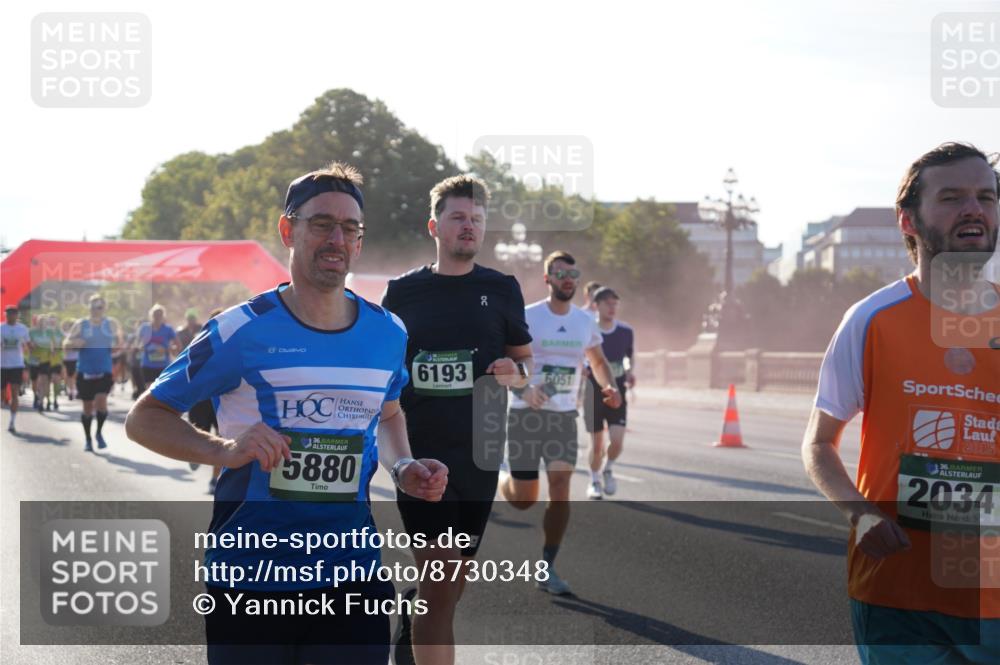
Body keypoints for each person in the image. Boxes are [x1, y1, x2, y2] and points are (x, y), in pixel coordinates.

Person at [125, 162, 448, 665]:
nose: (336, 239)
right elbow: (145, 417)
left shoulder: (389, 333)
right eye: (321, 223)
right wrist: (222, 450)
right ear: (287, 230)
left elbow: (387, 415)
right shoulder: (239, 330)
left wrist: (404, 467)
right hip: (252, 577)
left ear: (359, 241)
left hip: (351, 574)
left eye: (349, 228)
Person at [802, 142, 1000, 664]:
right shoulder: (871, 319)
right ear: (908, 221)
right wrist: (860, 515)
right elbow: (819, 445)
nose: (974, 210)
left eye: (986, 196)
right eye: (952, 197)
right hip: (895, 596)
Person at [381, 175, 533, 665]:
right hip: (423, 455)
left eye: (477, 220)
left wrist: (516, 373)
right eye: (458, 218)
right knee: (442, 578)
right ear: (435, 226)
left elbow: (526, 370)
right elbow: (383, 371)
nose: (469, 227)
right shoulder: (402, 294)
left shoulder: (502, 288)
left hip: (481, 453)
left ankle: (411, 619)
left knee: (450, 586)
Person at [500, 251, 622, 596]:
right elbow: (508, 362)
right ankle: (504, 477)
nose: (567, 279)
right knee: (524, 499)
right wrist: (525, 390)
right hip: (525, 413)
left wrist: (607, 385)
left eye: (573, 273)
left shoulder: (585, 323)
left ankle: (548, 565)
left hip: (564, 416)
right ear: (548, 279)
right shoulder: (527, 317)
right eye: (560, 273)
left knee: (560, 484)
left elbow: (597, 360)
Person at [582, 287, 635, 500]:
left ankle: (608, 468)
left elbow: (629, 356)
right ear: (596, 306)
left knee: (617, 441)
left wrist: (630, 372)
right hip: (593, 390)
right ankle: (594, 479)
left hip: (618, 389)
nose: (612, 308)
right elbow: (579, 356)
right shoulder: (587, 329)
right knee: (596, 444)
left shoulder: (625, 331)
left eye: (615, 304)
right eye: (607, 303)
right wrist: (583, 367)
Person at [65, 294, 122, 451]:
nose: (98, 309)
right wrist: (75, 342)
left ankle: (98, 433)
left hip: (103, 370)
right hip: (85, 371)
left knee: (101, 402)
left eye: (101, 306)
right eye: (95, 306)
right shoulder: (81, 324)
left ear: (104, 308)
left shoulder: (110, 324)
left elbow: (119, 342)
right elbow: (66, 344)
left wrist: (117, 345)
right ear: (90, 307)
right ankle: (88, 439)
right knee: (87, 408)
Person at [187, 307, 224, 494]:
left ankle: (214, 479)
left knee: (220, 439)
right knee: (199, 435)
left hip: (223, 401)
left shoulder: (237, 343)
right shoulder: (199, 344)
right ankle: (194, 455)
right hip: (201, 400)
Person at [135, 303, 179, 391]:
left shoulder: (168, 329)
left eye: (160, 315)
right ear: (151, 315)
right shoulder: (144, 328)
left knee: (162, 390)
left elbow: (177, 345)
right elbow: (137, 344)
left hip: (163, 365)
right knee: (150, 390)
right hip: (147, 364)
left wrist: (168, 349)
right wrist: (142, 347)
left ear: (163, 316)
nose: (157, 317)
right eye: (155, 314)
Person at [1, 306, 31, 434]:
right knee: (2, 395)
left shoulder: (22, 328)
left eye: (13, 314)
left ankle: (12, 422)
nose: (11, 316)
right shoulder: (1, 328)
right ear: (5, 314)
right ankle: (3, 400)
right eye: (8, 314)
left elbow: (28, 344)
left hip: (17, 365)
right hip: (2, 365)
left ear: (17, 315)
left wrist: (31, 347)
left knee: (14, 392)